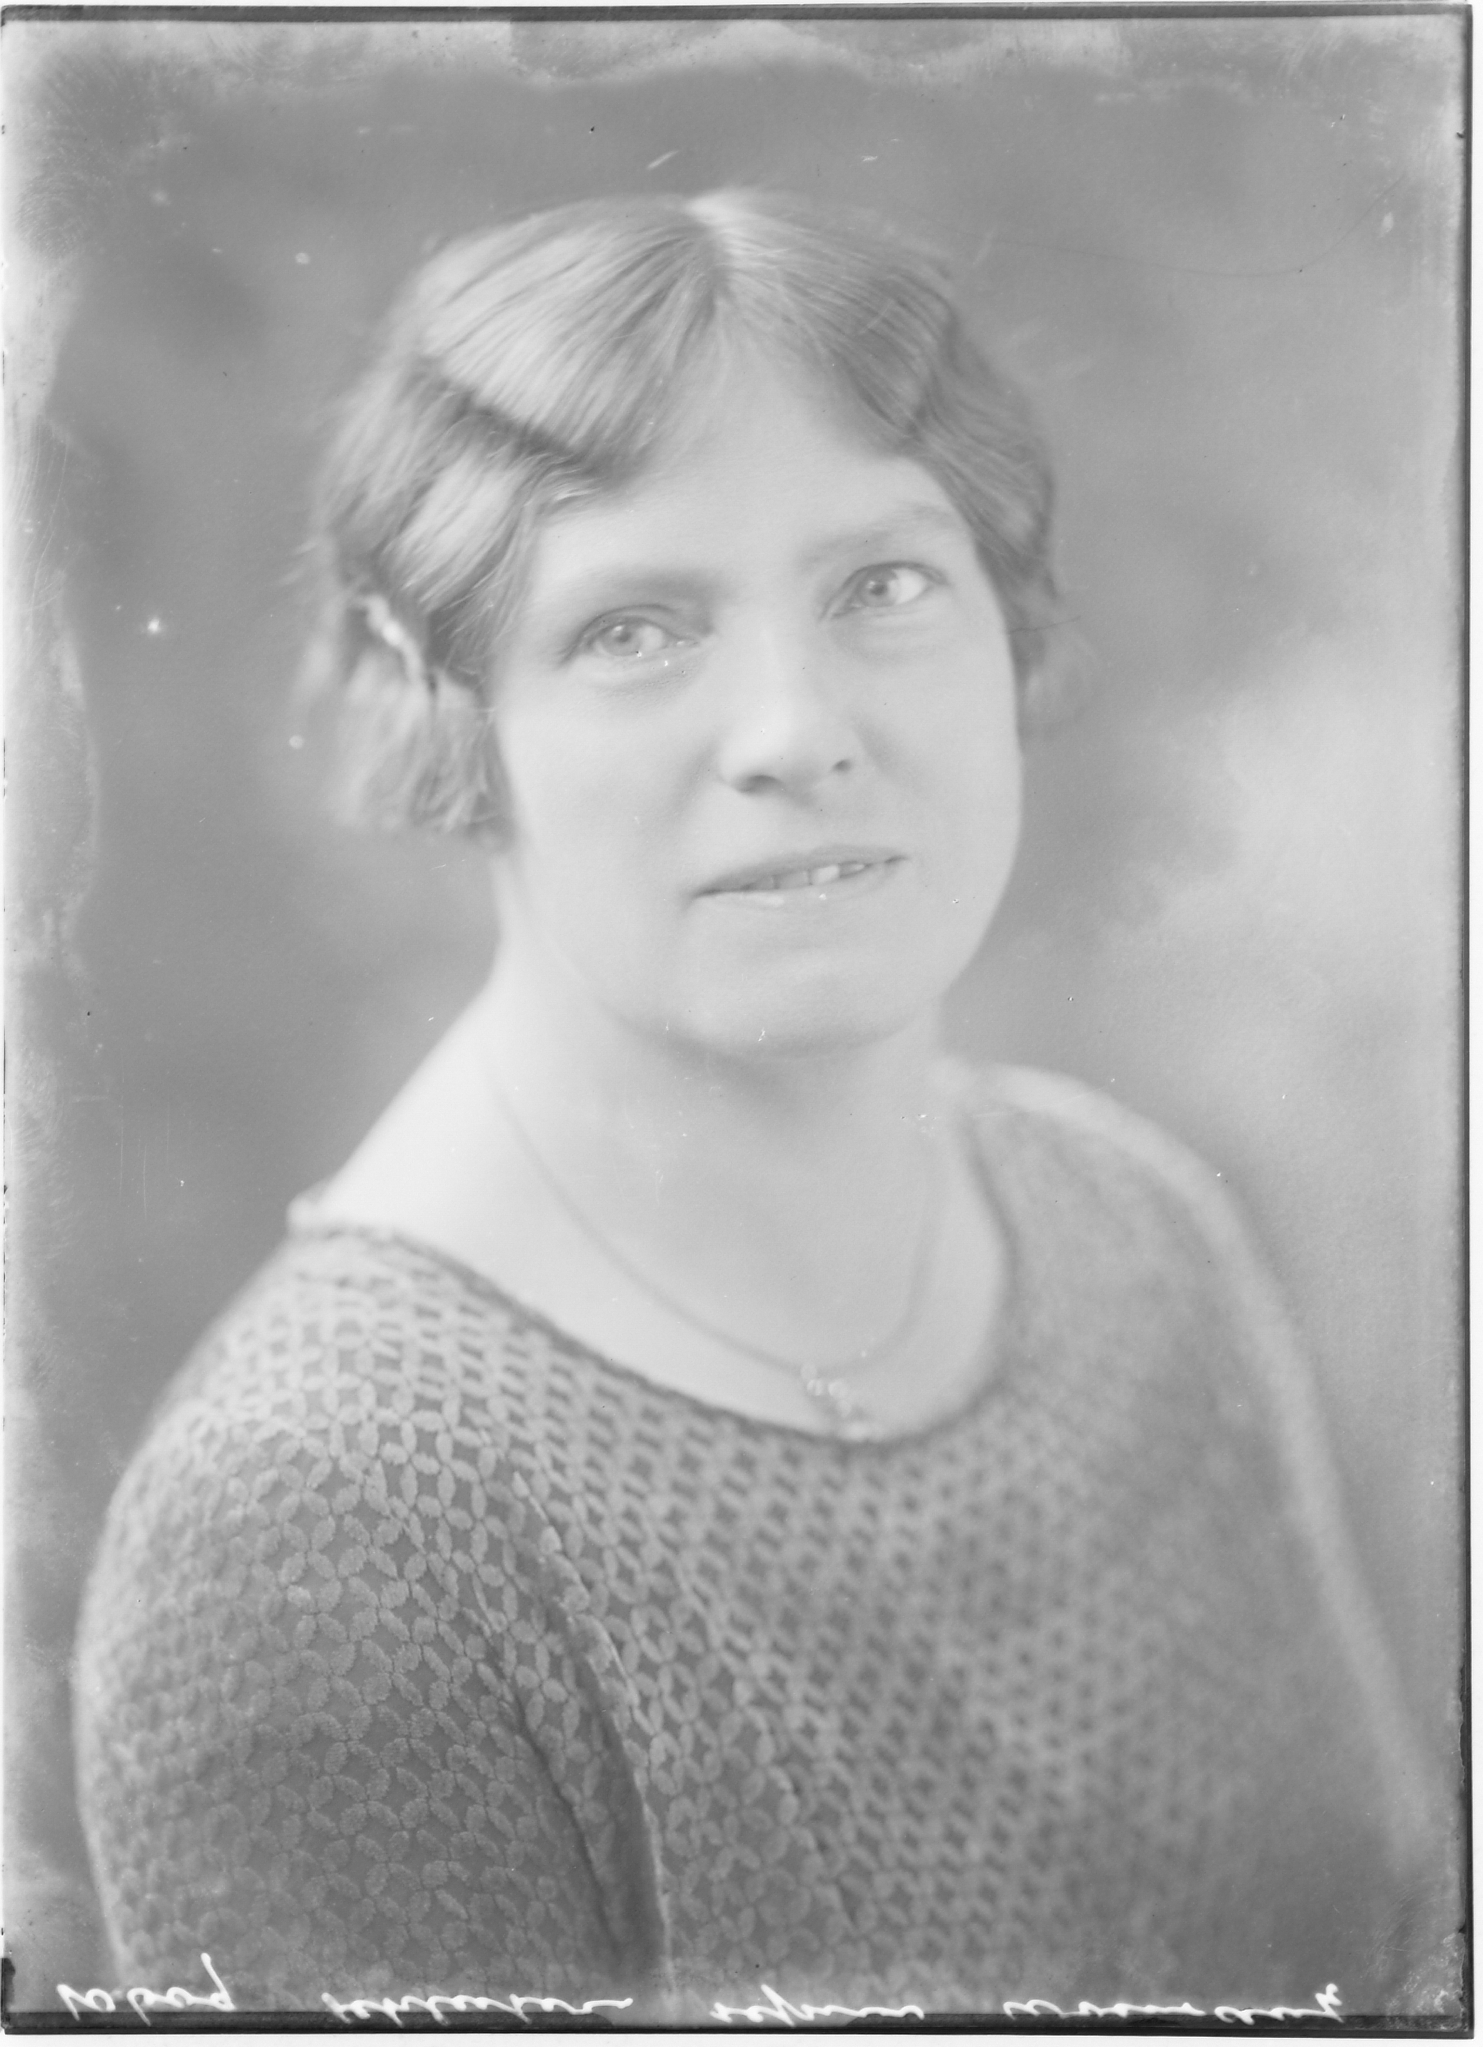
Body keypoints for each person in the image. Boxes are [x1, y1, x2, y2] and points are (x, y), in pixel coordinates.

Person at [72, 189, 1443, 2021]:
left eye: (885, 586)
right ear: (445, 704)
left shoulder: (1135, 1229)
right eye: (635, 626)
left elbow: (1398, 1955)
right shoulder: (326, 1533)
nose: (795, 728)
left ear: (1008, 628)